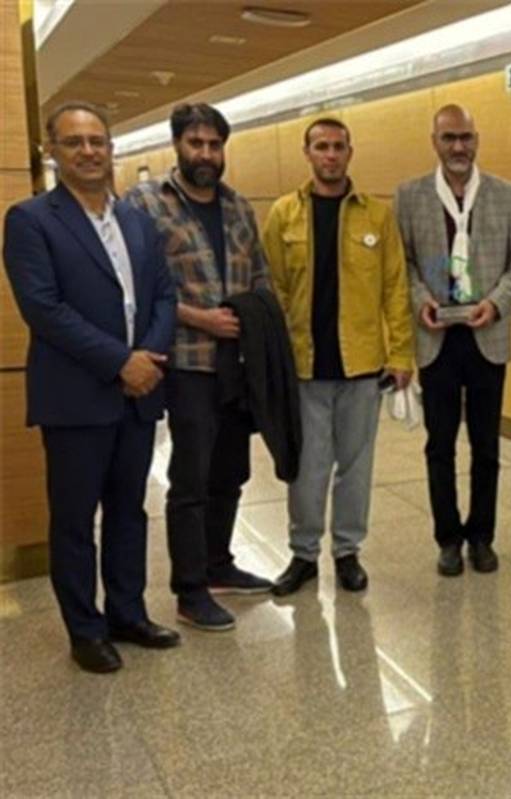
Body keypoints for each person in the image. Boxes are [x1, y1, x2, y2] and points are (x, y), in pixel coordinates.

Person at [2, 102, 179, 672]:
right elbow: (44, 309)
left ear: (111, 148)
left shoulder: (137, 221)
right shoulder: (30, 220)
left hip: (139, 394)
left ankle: (127, 613)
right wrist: (120, 362)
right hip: (76, 398)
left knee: (129, 512)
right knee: (75, 522)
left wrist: (147, 358)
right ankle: (85, 630)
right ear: (52, 151)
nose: (88, 151)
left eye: (97, 141)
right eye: (74, 142)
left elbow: (164, 296)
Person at [125, 103, 275, 631]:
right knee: (190, 478)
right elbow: (140, 286)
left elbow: (260, 275)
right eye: (196, 144)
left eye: (214, 145)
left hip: (236, 363)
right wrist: (200, 318)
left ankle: (218, 565)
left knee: (231, 472)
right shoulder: (145, 203)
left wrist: (254, 318)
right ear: (177, 146)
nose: (206, 154)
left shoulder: (238, 207)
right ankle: (190, 591)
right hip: (186, 363)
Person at [262, 118, 414, 595]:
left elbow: (395, 287)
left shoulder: (377, 216)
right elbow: (272, 289)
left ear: (350, 152)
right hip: (304, 365)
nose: (330, 155)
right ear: (307, 153)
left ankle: (348, 551)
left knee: (355, 467)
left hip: (362, 366)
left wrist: (401, 352)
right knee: (307, 469)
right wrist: (275, 358)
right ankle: (303, 554)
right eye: (321, 146)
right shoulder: (284, 214)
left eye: (338, 147)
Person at [393, 104, 511, 577]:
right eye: (449, 138)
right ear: (434, 141)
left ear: (477, 140)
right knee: (440, 446)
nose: (458, 147)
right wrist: (420, 302)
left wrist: (495, 303)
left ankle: (482, 537)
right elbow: (402, 263)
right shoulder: (409, 196)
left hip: (486, 335)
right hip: (436, 339)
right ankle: (448, 539)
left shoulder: (504, 194)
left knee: (486, 446)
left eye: (466, 137)